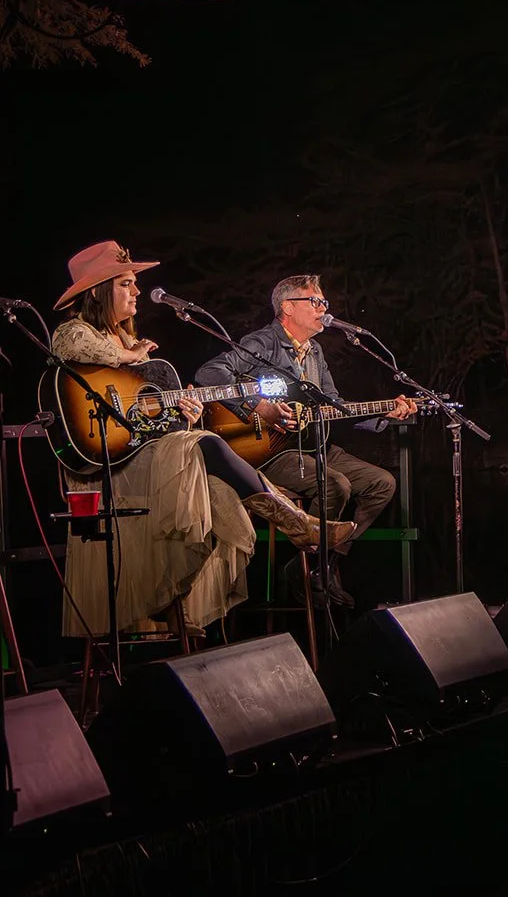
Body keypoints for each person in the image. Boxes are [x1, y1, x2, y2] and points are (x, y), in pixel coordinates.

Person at [49, 242, 355, 635]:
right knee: (208, 444)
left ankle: (169, 597)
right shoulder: (80, 333)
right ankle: (297, 522)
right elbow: (67, 343)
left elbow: (148, 422)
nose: (137, 291)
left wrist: (185, 415)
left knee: (222, 503)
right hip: (109, 468)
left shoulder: (131, 342)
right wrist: (129, 356)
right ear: (97, 291)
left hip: (145, 458)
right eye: (126, 283)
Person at [195, 274, 416, 608]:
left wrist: (385, 413)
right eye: (314, 301)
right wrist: (258, 406)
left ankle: (317, 565)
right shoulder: (262, 342)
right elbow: (210, 373)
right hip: (271, 451)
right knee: (336, 484)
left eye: (324, 302)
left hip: (313, 445)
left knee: (381, 483)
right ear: (287, 307)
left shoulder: (315, 353)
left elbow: (334, 406)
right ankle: (314, 569)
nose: (323, 308)